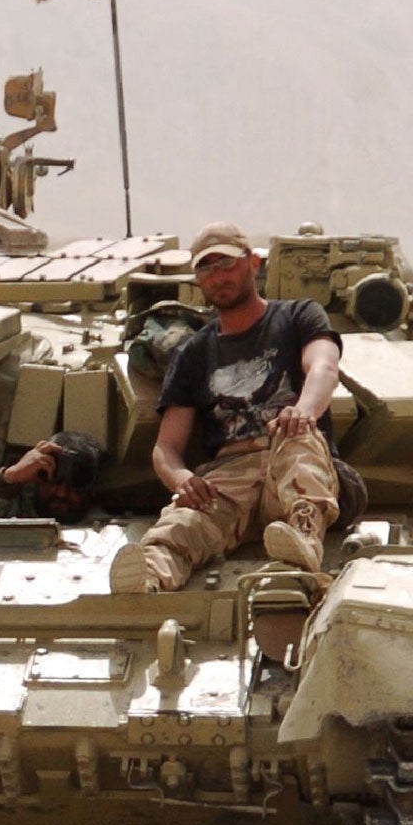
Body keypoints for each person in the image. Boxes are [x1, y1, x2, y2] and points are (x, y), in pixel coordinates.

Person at [110, 222, 342, 593]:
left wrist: (304, 410)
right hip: (231, 474)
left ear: (253, 263)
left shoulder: (298, 317)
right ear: (198, 279)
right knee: (183, 523)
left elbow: (324, 367)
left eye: (227, 264)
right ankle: (149, 577)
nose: (218, 276)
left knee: (296, 439)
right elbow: (167, 446)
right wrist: (182, 480)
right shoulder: (194, 353)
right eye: (207, 268)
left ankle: (304, 540)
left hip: (293, 453)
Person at [0, 431, 104, 523]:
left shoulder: (106, 532)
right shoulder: (8, 511)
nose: (61, 493)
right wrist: (9, 477)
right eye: (53, 479)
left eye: (76, 485)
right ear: (38, 477)